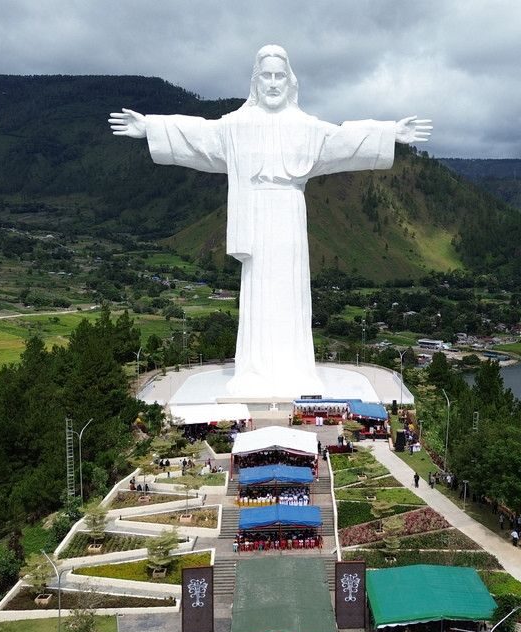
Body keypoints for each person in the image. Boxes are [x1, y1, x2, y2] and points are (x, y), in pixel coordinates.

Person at [110, 45, 431, 398]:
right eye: (267, 76)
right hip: (254, 217)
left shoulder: (306, 128)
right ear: (256, 82)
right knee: (259, 293)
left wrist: (389, 133)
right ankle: (255, 370)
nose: (274, 83)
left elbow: (342, 138)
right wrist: (151, 128)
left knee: (290, 291)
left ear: (290, 81)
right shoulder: (237, 126)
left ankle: (296, 369)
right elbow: (200, 136)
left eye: (280, 76)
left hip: (289, 215)